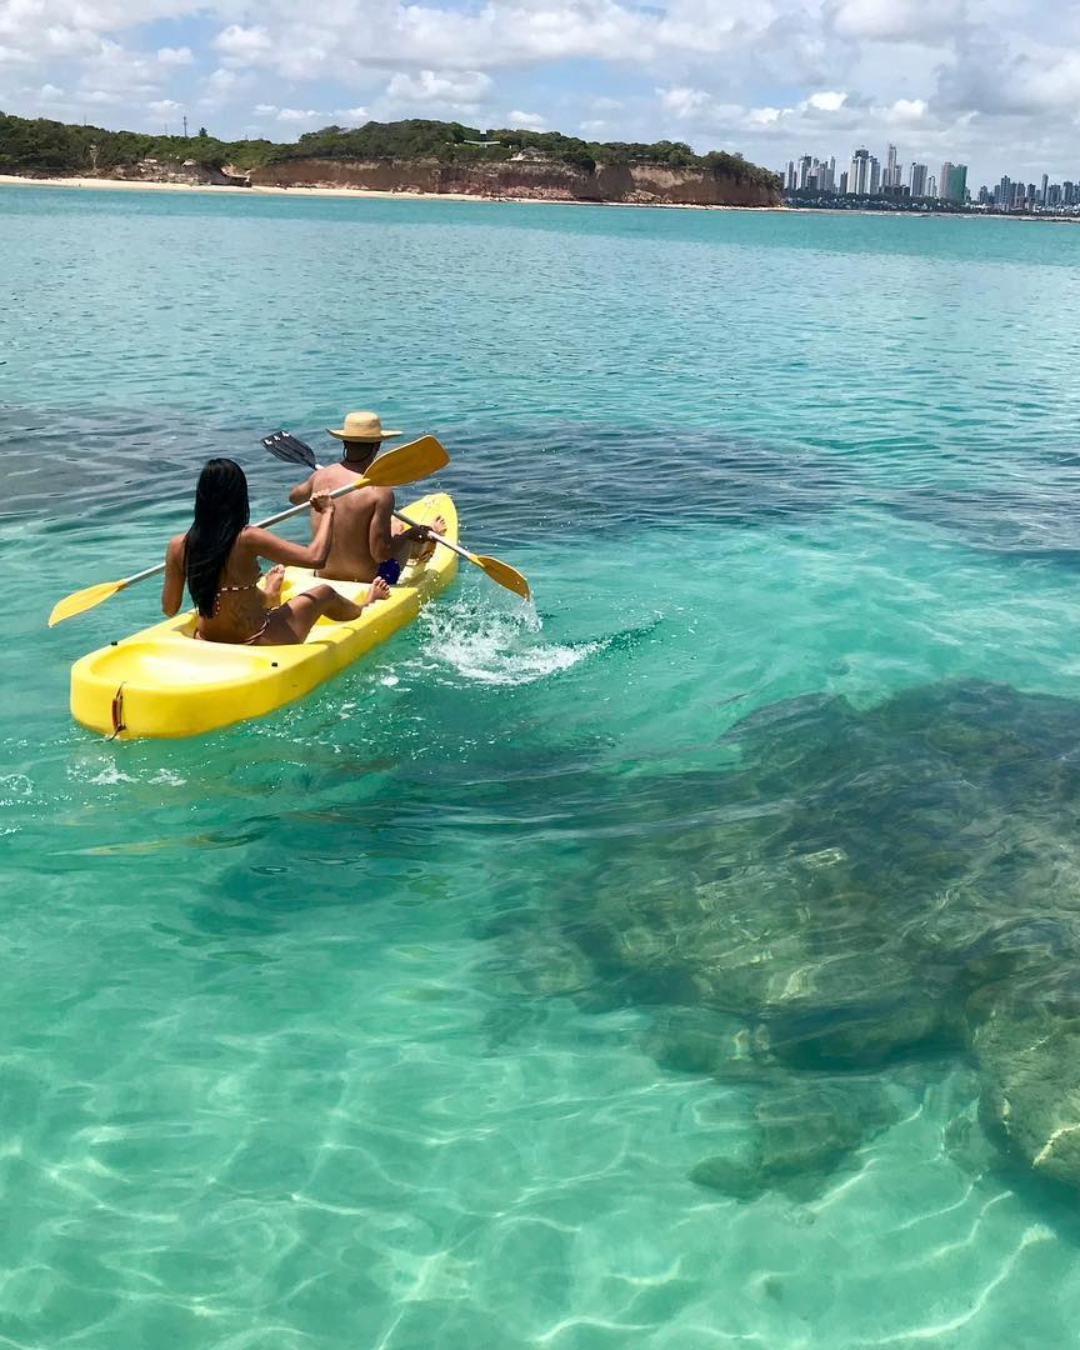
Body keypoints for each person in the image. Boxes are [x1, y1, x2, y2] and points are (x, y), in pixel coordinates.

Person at [162, 457, 389, 645]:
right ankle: (365, 606)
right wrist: (328, 511)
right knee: (324, 593)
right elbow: (316, 558)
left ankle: (269, 596)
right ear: (239, 497)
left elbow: (170, 608)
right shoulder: (248, 537)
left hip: (205, 637)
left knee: (240, 589)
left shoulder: (177, 545)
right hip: (257, 637)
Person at [287, 409, 445, 584]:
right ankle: (422, 543)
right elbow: (380, 553)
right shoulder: (380, 491)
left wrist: (316, 484)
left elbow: (294, 498)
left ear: (345, 443)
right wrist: (409, 535)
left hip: (323, 573)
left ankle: (402, 532)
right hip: (369, 580)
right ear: (377, 446)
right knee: (401, 531)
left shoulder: (321, 476)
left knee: (395, 525)